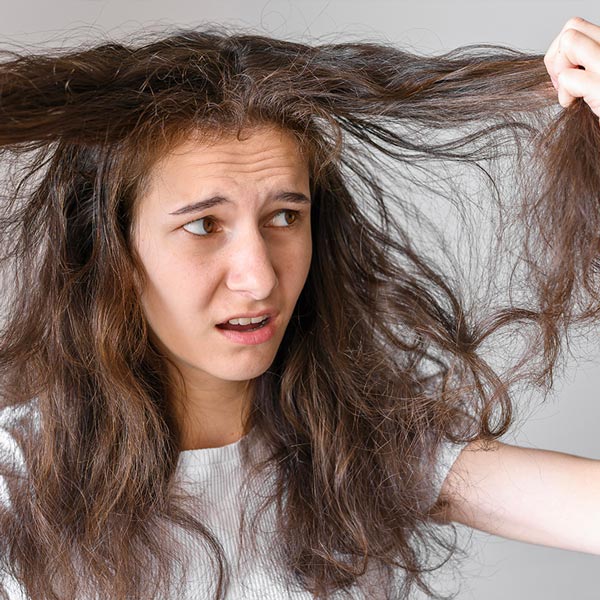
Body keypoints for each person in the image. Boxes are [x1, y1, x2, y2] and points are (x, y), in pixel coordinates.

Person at [0, 15, 598, 600]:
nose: (259, 278)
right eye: (204, 225)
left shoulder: (360, 450)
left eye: (284, 217)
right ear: (110, 252)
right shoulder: (15, 483)